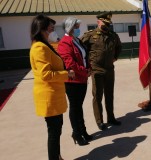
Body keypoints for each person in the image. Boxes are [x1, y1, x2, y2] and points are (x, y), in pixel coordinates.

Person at [29, 14, 75, 160]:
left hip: (54, 95)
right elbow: (46, 75)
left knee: (57, 130)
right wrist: (66, 74)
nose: (53, 32)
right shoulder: (39, 48)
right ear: (41, 29)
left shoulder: (46, 45)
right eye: (51, 28)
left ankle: (58, 156)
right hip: (49, 96)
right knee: (54, 132)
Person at [81, 12, 122, 130]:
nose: (107, 25)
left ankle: (111, 117)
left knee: (109, 95)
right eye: (105, 23)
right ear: (98, 22)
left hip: (109, 69)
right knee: (98, 96)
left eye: (108, 23)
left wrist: (115, 57)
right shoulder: (90, 35)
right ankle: (99, 121)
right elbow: (80, 50)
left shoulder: (113, 35)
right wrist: (87, 65)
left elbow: (119, 46)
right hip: (96, 70)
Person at [58, 17, 92, 146]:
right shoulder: (64, 43)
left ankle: (82, 131)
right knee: (75, 107)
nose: (78, 29)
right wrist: (84, 71)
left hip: (82, 79)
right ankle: (76, 133)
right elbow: (70, 63)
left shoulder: (76, 40)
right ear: (70, 27)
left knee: (79, 107)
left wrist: (89, 68)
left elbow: (84, 57)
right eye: (76, 27)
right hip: (73, 81)